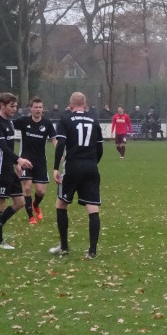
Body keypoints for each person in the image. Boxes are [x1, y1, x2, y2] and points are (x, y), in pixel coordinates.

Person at [50, 92, 104, 259]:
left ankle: (64, 247)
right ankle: (92, 251)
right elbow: (100, 148)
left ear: (70, 104)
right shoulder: (94, 120)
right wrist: (92, 163)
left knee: (61, 205)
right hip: (91, 167)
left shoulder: (65, 119)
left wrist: (55, 167)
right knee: (92, 209)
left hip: (72, 166)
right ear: (85, 104)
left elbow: (60, 145)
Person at [0, 93, 33, 250]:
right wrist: (19, 159)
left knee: (20, 202)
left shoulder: (9, 123)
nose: (14, 109)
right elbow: (2, 148)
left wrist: (15, 164)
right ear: (2, 105)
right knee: (0, 204)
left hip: (9, 168)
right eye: (11, 106)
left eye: (15, 106)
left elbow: (9, 147)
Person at [14, 97, 57, 225]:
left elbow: (54, 139)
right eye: (36, 107)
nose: (38, 109)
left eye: (40, 107)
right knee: (26, 188)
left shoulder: (47, 124)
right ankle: (30, 216)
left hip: (40, 161)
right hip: (25, 160)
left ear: (42, 109)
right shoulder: (23, 121)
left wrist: (59, 152)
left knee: (41, 191)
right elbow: (5, 124)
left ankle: (36, 205)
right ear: (31, 108)